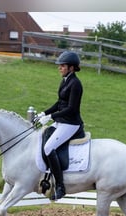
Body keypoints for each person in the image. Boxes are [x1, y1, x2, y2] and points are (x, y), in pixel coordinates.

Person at [35, 51, 85, 200]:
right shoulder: (65, 81)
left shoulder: (75, 84)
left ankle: (60, 186)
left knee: (49, 148)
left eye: (62, 66)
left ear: (71, 68)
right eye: (60, 66)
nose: (59, 68)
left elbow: (71, 108)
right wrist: (44, 113)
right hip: (62, 121)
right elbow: (59, 103)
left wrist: (51, 117)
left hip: (71, 123)